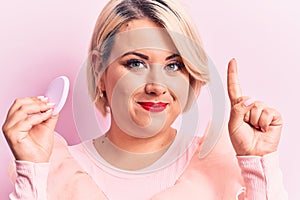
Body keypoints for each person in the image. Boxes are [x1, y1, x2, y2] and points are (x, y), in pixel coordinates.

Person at [2, 0, 287, 199]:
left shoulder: (226, 165)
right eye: (136, 63)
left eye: (174, 65)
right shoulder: (49, 169)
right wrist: (33, 168)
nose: (156, 86)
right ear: (99, 69)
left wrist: (259, 162)